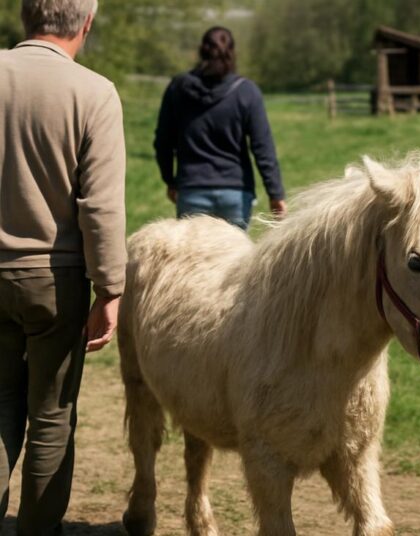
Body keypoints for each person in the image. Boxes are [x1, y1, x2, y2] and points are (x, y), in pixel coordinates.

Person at [0, 0, 126, 534]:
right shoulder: (94, 93)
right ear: (87, 23)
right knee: (51, 417)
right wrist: (110, 289)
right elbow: (100, 206)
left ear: (27, 15)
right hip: (55, 280)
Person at [154, 26, 287, 229]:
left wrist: (170, 181)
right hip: (235, 194)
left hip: (192, 190)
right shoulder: (247, 91)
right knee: (233, 260)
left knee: (192, 260)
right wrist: (275, 194)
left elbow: (163, 141)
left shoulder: (178, 88)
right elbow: (263, 147)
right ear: (232, 52)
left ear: (201, 51)